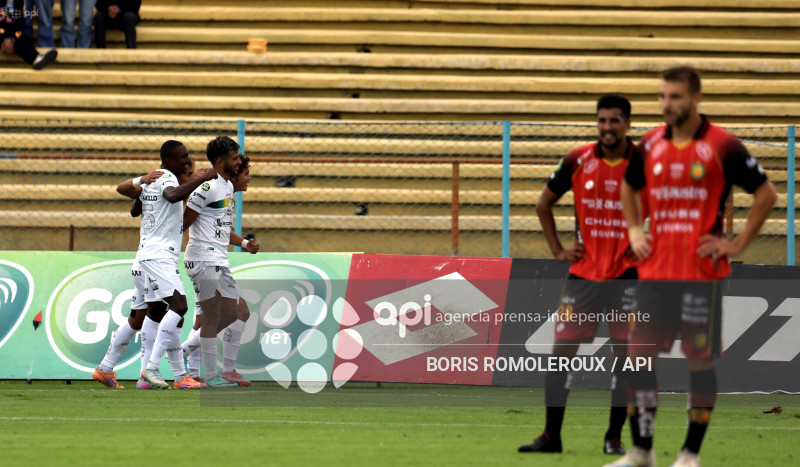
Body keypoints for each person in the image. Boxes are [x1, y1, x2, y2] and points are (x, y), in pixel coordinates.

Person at [610, 66, 777, 467]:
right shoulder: (649, 144)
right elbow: (629, 187)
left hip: (702, 275)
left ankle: (689, 455)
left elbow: (766, 194)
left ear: (696, 99)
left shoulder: (722, 144)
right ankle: (642, 452)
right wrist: (635, 230)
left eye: (676, 97)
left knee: (698, 362)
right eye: (663, 96)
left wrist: (737, 242)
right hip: (655, 273)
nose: (667, 104)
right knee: (638, 359)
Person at [518, 94, 638, 456]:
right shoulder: (577, 159)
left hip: (628, 277)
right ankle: (551, 436)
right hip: (583, 276)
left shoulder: (647, 164)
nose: (607, 127)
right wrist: (557, 250)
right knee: (560, 354)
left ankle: (613, 438)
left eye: (614, 121)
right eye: (602, 120)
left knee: (628, 358)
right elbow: (543, 204)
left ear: (628, 124)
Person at [118, 140, 216, 390]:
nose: (187, 160)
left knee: (159, 312)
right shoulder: (167, 179)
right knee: (179, 306)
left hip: (150, 254)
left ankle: (166, 377)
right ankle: (151, 368)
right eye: (183, 157)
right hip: (158, 255)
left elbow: (134, 209)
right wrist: (203, 179)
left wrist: (144, 187)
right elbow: (172, 195)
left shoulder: (156, 180)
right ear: (169, 160)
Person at [183, 137, 260, 388]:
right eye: (235, 158)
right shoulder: (208, 187)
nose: (239, 162)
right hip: (203, 257)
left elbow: (219, 226)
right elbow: (184, 222)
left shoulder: (225, 187)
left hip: (218, 259)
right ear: (221, 161)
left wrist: (245, 243)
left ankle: (184, 354)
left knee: (234, 312)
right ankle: (209, 374)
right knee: (215, 314)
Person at [1, 0, 57, 69]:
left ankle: (36, 58)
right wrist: (6, 38)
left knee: (21, 36)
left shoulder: (19, 2)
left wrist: (11, 38)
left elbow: (20, 22)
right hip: (1, 32)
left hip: (11, 33)